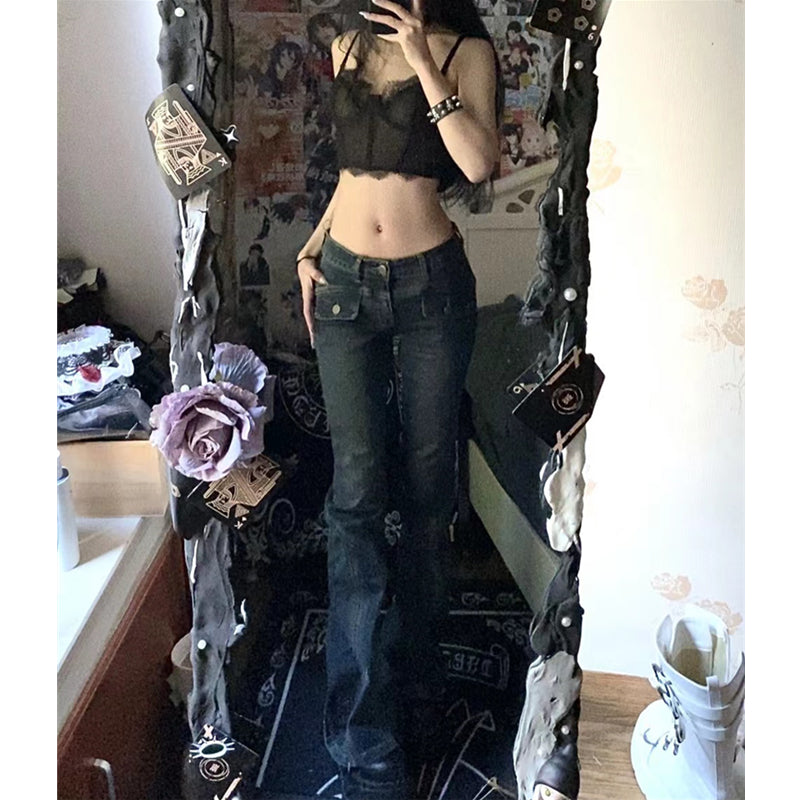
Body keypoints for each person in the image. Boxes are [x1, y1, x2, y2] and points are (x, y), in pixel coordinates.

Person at [294, 2, 503, 798]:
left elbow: (477, 164)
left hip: (431, 292)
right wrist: (313, 247)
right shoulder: (348, 43)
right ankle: (362, 728)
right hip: (344, 285)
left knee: (425, 492)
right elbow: (355, 174)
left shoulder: (467, 52)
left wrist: (422, 59)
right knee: (354, 496)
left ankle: (420, 688)